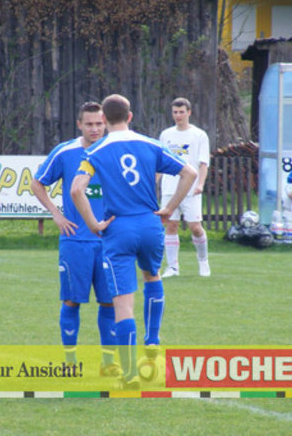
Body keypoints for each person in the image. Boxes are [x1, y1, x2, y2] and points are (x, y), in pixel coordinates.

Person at [71, 94, 197, 389]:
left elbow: (77, 190)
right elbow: (189, 173)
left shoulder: (95, 150)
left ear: (104, 120)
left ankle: (129, 375)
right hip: (151, 224)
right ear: (130, 116)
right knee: (152, 276)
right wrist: (169, 208)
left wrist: (93, 224)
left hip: (119, 229)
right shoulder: (151, 144)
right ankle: (152, 340)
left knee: (123, 305)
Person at [31, 101, 120, 376]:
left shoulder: (114, 151)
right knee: (72, 301)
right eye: (89, 124)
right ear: (79, 124)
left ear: (106, 123)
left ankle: (109, 363)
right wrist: (56, 214)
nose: (95, 129)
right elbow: (38, 183)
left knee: (110, 302)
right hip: (75, 240)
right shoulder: (66, 152)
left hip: (109, 241)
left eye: (99, 123)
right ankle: (70, 362)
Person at [158, 97, 211, 278]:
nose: (178, 115)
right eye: (175, 112)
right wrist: (155, 183)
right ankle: (173, 267)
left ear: (189, 112)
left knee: (195, 227)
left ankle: (203, 262)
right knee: (170, 225)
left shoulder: (199, 135)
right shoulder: (166, 135)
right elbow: (160, 162)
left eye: (181, 112)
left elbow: (203, 163)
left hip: (190, 188)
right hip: (169, 187)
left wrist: (201, 184)